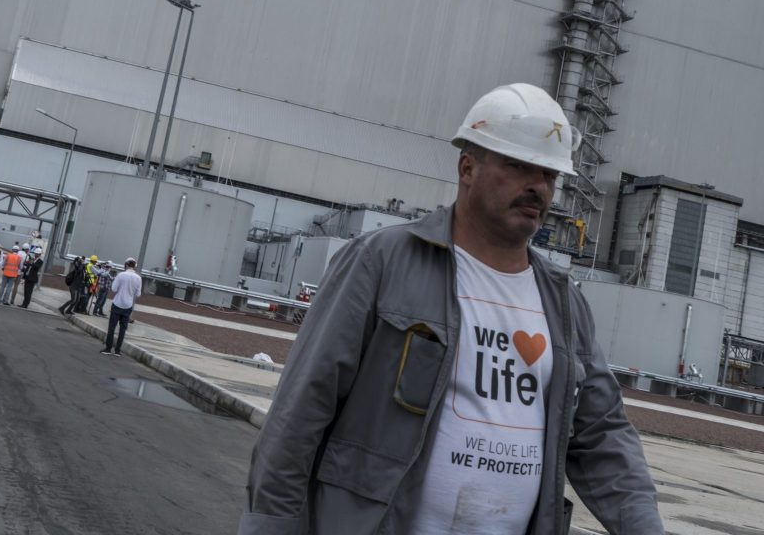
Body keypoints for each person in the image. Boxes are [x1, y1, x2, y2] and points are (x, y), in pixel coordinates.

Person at [238, 84, 664, 535]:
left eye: (548, 174)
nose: (537, 186)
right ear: (468, 168)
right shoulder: (382, 263)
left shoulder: (563, 301)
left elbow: (602, 433)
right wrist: (270, 527)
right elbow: (300, 412)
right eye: (518, 166)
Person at [101, 257, 142, 357]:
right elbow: (138, 294)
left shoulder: (121, 275)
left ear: (126, 265)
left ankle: (108, 348)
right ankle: (117, 351)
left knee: (112, 327)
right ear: (134, 266)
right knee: (123, 329)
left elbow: (114, 289)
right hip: (128, 305)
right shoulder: (138, 278)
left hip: (117, 303)